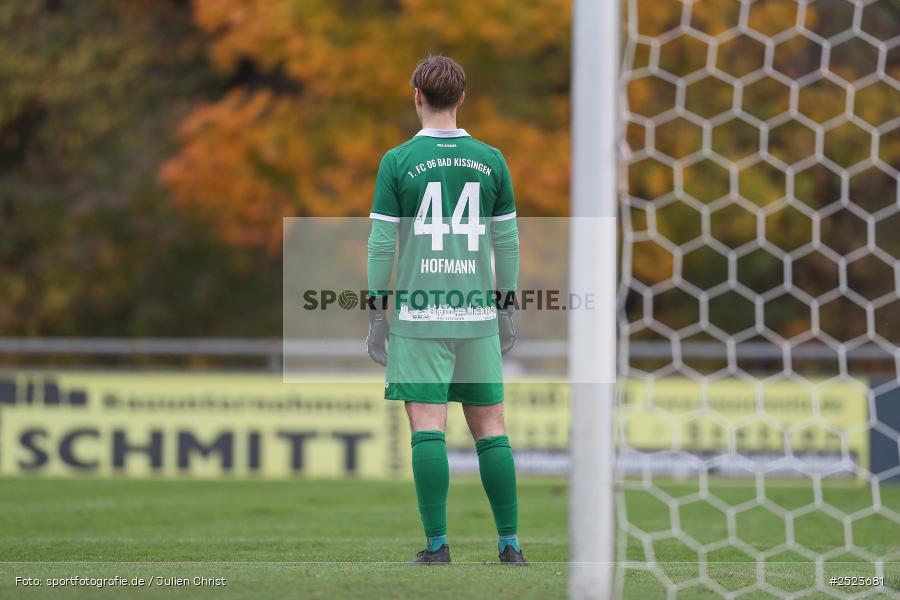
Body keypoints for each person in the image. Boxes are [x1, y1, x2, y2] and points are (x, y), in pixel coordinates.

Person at [365, 55, 524, 565]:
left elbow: (381, 243)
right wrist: (505, 307)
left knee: (428, 427)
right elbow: (508, 240)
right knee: (491, 428)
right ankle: (510, 546)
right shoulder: (492, 159)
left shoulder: (397, 161)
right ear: (462, 98)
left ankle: (437, 546)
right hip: (475, 313)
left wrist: (375, 312)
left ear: (417, 95)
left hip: (419, 315)